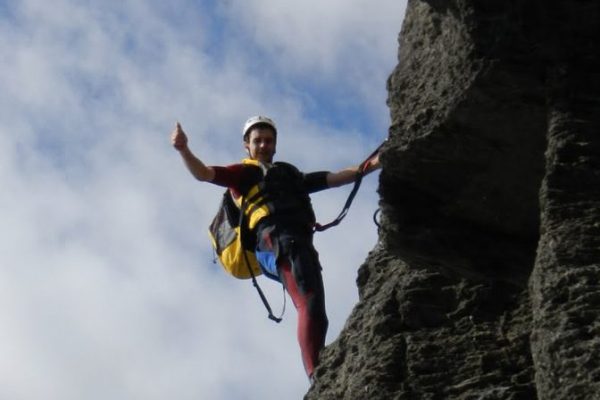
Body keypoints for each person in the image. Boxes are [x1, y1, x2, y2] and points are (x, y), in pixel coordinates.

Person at [171, 115, 380, 380]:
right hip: (275, 241)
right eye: (257, 141)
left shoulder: (290, 174)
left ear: (275, 145)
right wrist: (184, 150)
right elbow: (204, 174)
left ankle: (320, 372)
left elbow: (336, 177)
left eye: (268, 141)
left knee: (317, 310)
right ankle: (316, 376)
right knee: (308, 301)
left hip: (297, 242)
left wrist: (376, 162)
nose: (263, 145)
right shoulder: (244, 174)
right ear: (247, 145)